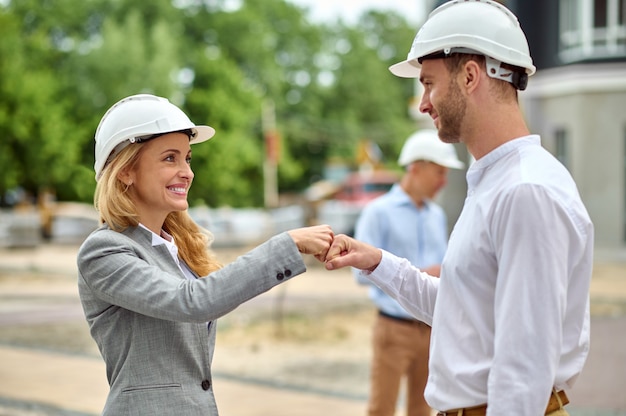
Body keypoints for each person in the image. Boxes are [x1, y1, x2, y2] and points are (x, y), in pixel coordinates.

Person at [325, 1, 594, 415]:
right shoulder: (498, 182)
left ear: (469, 76)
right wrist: (378, 262)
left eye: (429, 83)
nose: (423, 103)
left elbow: (523, 368)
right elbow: (463, 308)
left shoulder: (524, 191)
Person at [77, 93, 334, 416]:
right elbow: (193, 301)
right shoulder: (105, 250)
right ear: (126, 171)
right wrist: (286, 246)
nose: (187, 172)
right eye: (170, 158)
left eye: (187, 158)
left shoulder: (175, 249)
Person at [354, 129, 464, 416]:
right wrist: (419, 273)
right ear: (415, 167)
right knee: (382, 409)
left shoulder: (436, 215)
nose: (444, 181)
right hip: (394, 329)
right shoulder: (378, 212)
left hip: (432, 329)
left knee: (424, 409)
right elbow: (358, 273)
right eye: (439, 172)